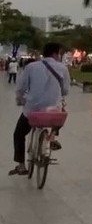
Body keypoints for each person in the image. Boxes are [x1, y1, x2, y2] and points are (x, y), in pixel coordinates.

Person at [10, 43, 70, 176]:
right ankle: (52, 136)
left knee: (18, 134)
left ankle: (21, 165)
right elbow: (65, 90)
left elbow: (21, 87)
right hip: (53, 112)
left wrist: (20, 99)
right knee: (59, 115)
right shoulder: (63, 68)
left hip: (33, 111)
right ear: (56, 53)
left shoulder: (31, 67)